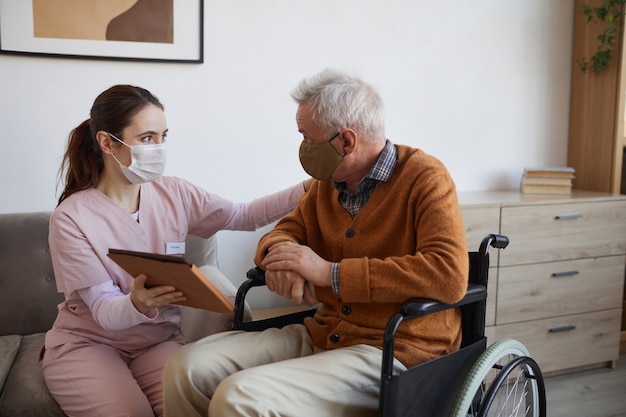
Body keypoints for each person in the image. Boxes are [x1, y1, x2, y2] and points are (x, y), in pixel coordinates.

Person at [162, 69, 469, 417]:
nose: (303, 147)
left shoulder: (425, 178)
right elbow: (281, 234)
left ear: (346, 141)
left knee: (240, 397)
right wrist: (282, 258)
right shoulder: (326, 184)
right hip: (324, 334)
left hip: (395, 350)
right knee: (186, 368)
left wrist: (328, 273)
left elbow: (449, 275)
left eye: (307, 137)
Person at [41, 84, 311, 417]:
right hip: (90, 345)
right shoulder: (71, 218)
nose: (158, 148)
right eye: (147, 138)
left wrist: (307, 189)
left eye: (163, 136)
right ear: (107, 142)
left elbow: (244, 214)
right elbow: (104, 312)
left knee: (196, 407)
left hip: (157, 342)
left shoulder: (174, 193)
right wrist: (136, 302)